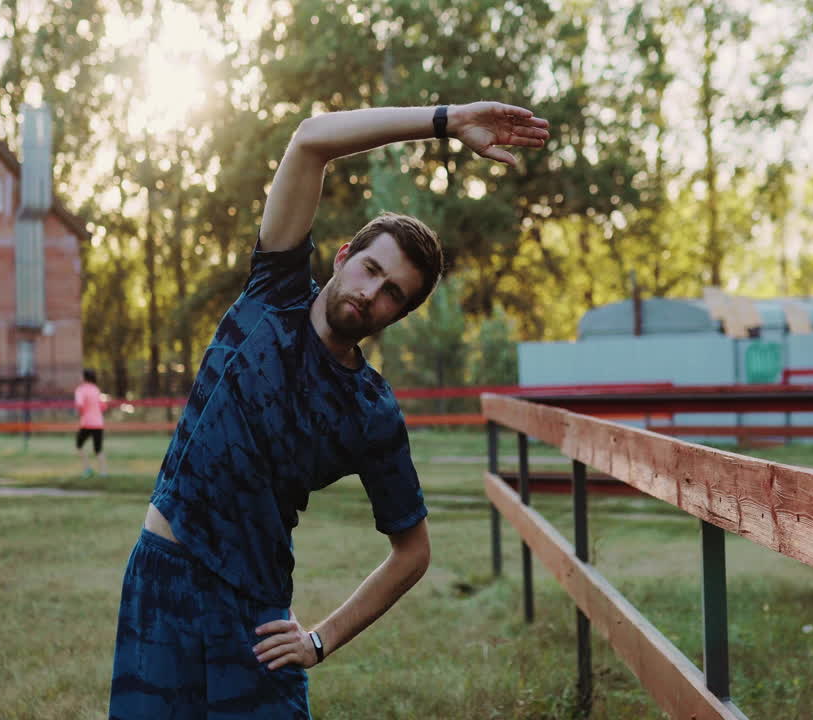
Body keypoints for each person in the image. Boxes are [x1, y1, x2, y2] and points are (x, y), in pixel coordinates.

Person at [108, 102, 550, 719]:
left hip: (255, 612)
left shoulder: (371, 410)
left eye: (393, 293)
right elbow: (311, 140)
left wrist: (320, 640)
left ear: (400, 314)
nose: (371, 294)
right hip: (164, 579)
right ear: (343, 256)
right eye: (371, 269)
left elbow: (413, 552)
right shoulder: (275, 290)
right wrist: (446, 122)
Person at [74, 369, 106, 477]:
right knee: (98, 449)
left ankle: (87, 469)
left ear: (84, 377)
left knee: (79, 445)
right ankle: (103, 472)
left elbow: (79, 405)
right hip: (99, 423)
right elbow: (103, 406)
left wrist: (82, 413)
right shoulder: (96, 389)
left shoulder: (80, 390)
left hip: (87, 423)